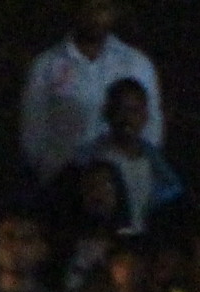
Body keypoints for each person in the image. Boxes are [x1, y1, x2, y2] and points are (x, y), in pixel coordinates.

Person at [18, 0, 161, 183]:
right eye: (87, 6)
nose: (94, 16)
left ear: (114, 12)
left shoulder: (136, 65)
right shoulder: (47, 66)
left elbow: (152, 127)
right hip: (62, 183)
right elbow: (33, 129)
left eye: (102, 7)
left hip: (124, 184)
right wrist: (49, 171)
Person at [70, 79, 181, 232]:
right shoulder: (86, 160)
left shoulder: (157, 163)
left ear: (145, 115)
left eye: (133, 111)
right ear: (107, 113)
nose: (126, 119)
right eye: (119, 110)